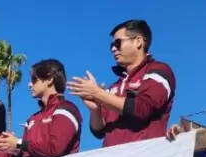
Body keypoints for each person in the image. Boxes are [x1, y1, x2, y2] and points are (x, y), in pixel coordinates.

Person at [69, 19, 176, 147]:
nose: (113, 49)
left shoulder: (159, 71)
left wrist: (97, 93)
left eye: (118, 43)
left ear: (138, 42)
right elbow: (99, 131)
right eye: (111, 46)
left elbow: (142, 108)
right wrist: (95, 110)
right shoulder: (114, 87)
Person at [0, 59, 82, 157]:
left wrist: (19, 143)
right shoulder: (31, 119)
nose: (29, 85)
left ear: (50, 79)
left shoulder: (66, 108)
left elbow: (56, 148)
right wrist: (13, 149)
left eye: (34, 79)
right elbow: (24, 156)